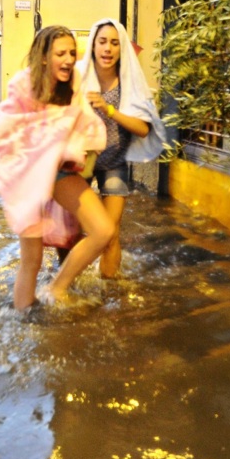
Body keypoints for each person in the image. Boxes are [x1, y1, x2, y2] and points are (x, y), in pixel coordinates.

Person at [0, 25, 115, 309]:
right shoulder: (24, 84)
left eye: (72, 53)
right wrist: (43, 146)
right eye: (61, 54)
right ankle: (24, 320)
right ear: (44, 57)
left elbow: (82, 120)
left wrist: (80, 142)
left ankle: (56, 288)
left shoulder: (74, 82)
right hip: (27, 175)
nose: (68, 60)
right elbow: (5, 131)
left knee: (103, 230)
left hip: (59, 171)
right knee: (31, 261)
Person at [77, 18, 166, 278]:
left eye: (115, 43)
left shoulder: (129, 81)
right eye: (103, 42)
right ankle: (70, 280)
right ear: (93, 45)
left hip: (114, 162)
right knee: (72, 228)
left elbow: (143, 129)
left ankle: (109, 289)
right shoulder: (79, 78)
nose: (108, 48)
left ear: (121, 48)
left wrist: (109, 110)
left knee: (110, 231)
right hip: (81, 162)